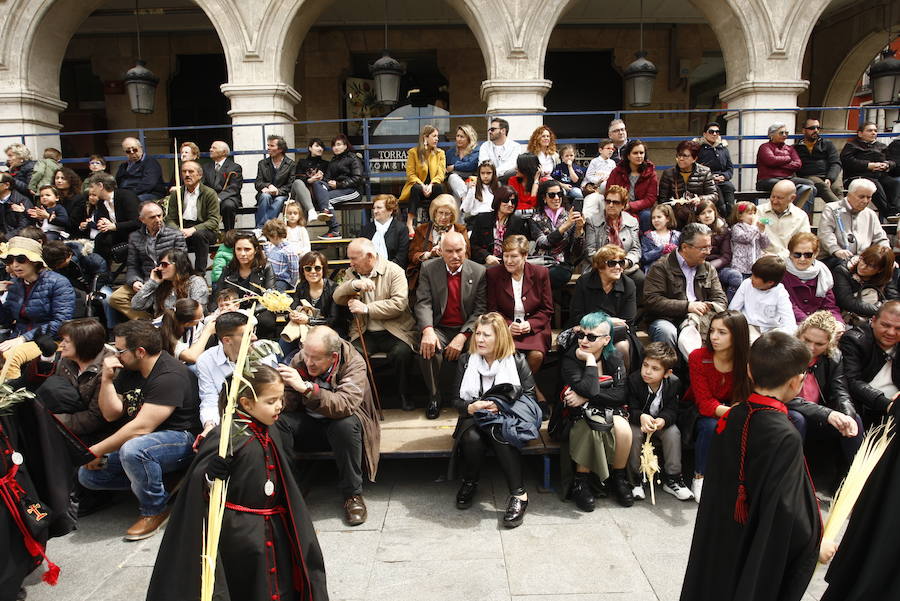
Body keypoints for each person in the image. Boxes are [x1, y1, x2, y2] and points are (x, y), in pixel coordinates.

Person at [146, 365, 328, 601]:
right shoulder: (226, 438)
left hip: (276, 525)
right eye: (271, 401)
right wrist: (210, 476)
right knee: (247, 586)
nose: (279, 406)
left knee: (280, 585)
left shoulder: (273, 430)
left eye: (281, 399)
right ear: (246, 403)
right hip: (238, 535)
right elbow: (197, 489)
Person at [680, 332, 822, 601]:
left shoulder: (732, 415)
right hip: (756, 540)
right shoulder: (784, 434)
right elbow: (788, 509)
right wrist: (814, 544)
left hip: (721, 534)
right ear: (796, 382)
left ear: (748, 370)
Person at [78, 320, 199, 541]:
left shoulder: (169, 375)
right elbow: (111, 414)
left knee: (134, 449)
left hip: (181, 440)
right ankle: (160, 482)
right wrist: (106, 380)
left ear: (140, 351)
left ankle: (155, 508)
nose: (116, 355)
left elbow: (142, 427)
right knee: (88, 475)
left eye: (120, 350)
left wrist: (95, 450)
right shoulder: (131, 370)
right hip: (148, 442)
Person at [279, 325, 381, 527]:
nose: (308, 362)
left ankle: (353, 495)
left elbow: (345, 405)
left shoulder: (353, 363)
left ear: (333, 357)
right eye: (305, 354)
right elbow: (290, 402)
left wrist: (307, 389)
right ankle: (290, 488)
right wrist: (277, 395)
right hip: (309, 423)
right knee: (279, 423)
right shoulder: (300, 358)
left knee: (344, 425)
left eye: (315, 358)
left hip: (344, 424)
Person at [449, 312, 538, 527]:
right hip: (473, 418)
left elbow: (530, 396)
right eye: (478, 334)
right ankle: (470, 482)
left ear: (500, 338)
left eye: (486, 335)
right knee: (472, 437)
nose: (479, 339)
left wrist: (501, 406)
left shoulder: (517, 361)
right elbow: (454, 400)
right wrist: (470, 406)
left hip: (507, 418)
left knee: (499, 432)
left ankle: (519, 495)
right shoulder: (465, 361)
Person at [556, 311, 632, 508]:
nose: (584, 341)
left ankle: (619, 477)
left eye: (591, 337)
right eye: (581, 334)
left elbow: (621, 394)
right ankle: (581, 482)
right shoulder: (571, 359)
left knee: (624, 429)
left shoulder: (614, 357)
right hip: (575, 414)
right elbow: (588, 388)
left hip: (607, 408)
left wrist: (585, 396)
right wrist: (590, 361)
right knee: (592, 426)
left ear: (606, 340)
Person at [334, 238, 418, 410]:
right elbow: (337, 296)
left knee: (401, 353)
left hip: (395, 330)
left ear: (370, 257)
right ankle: (363, 398)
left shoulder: (394, 271)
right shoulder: (352, 273)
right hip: (365, 331)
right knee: (354, 354)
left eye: (354, 258)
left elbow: (399, 304)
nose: (351, 263)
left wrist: (366, 308)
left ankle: (404, 395)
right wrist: (353, 284)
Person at [415, 231, 486, 418]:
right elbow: (423, 302)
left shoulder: (479, 271)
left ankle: (472, 398)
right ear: (440, 251)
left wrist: (463, 336)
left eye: (459, 250)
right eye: (449, 251)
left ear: (466, 249)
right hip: (439, 327)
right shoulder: (429, 269)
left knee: (481, 347)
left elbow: (480, 310)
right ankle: (434, 396)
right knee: (427, 347)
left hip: (467, 328)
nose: (455, 256)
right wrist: (428, 330)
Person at [684, 310, 752, 503]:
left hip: (734, 408)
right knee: (710, 426)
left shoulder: (747, 360)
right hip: (699, 412)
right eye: (712, 330)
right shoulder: (699, 356)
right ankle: (699, 477)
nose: (714, 336)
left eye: (722, 332)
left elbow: (748, 394)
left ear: (737, 335)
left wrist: (738, 410)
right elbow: (704, 403)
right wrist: (736, 413)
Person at [645, 222, 728, 360]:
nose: (708, 252)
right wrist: (687, 307)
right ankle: (673, 377)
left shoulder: (708, 268)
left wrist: (707, 308)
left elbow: (720, 299)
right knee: (666, 331)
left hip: (700, 318)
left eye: (709, 246)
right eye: (703, 248)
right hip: (667, 319)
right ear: (685, 247)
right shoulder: (660, 267)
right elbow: (652, 301)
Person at [486, 235, 553, 406]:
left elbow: (547, 309)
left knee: (536, 355)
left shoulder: (540, 273)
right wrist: (507, 326)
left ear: (524, 256)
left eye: (513, 256)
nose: (508, 260)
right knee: (507, 355)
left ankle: (519, 393)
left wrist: (529, 325)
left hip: (535, 327)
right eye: (505, 256)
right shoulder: (494, 274)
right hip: (505, 327)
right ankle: (534, 394)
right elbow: (492, 309)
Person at [793, 311, 863, 468]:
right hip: (790, 413)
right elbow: (784, 398)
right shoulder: (786, 353)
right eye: (807, 340)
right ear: (799, 335)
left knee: (854, 419)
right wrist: (828, 414)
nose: (811, 348)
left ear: (829, 343)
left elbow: (841, 391)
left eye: (819, 344)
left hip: (818, 416)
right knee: (798, 418)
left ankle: (860, 477)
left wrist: (847, 416)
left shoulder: (833, 357)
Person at [0, 236, 76, 380]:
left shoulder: (58, 283)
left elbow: (61, 322)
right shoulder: (16, 284)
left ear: (35, 261)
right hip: (17, 336)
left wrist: (23, 338)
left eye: (21, 259)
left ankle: (13, 399)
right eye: (10, 260)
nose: (15, 265)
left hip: (49, 340)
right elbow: (6, 319)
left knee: (12, 355)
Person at [626, 342, 693, 501]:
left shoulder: (674, 383)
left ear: (667, 373)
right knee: (634, 435)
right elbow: (629, 407)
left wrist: (663, 420)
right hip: (638, 421)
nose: (647, 371)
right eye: (645, 365)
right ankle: (635, 478)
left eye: (655, 369)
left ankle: (673, 478)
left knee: (673, 433)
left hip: (659, 422)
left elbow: (672, 409)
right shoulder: (634, 381)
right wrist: (641, 417)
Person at [196, 311, 279, 436]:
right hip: (227, 420)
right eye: (247, 334)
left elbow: (272, 395)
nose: (254, 338)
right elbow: (210, 400)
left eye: (253, 332)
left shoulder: (264, 353)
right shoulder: (206, 360)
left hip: (262, 416)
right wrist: (210, 425)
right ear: (227, 340)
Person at [107, 200, 186, 322]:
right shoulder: (135, 237)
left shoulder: (175, 234)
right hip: (146, 278)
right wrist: (134, 281)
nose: (158, 219)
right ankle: (147, 320)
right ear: (142, 220)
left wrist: (164, 276)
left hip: (168, 278)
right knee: (115, 298)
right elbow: (133, 264)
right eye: (152, 217)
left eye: (159, 215)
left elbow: (182, 262)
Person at [42, 318, 116, 439]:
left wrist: (51, 419)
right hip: (66, 421)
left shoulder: (108, 369)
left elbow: (95, 418)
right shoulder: (66, 360)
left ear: (83, 344)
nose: (61, 345)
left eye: (66, 341)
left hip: (95, 433)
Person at [567, 244, 637, 367]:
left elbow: (627, 320)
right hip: (587, 332)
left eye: (621, 263)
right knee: (588, 343)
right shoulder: (584, 282)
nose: (618, 267)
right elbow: (576, 316)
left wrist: (600, 323)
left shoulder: (628, 284)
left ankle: (621, 383)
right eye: (612, 263)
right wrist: (609, 320)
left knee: (622, 346)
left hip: (617, 333)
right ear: (600, 266)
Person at [839, 300, 900, 427]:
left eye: (898, 328)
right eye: (885, 325)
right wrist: (887, 404)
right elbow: (852, 381)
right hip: (864, 408)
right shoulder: (854, 340)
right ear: (873, 321)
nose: (891, 332)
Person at [214, 233, 277, 339]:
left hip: (258, 310)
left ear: (256, 250)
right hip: (233, 309)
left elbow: (270, 296)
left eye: (247, 249)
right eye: (238, 249)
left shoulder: (266, 267)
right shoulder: (228, 269)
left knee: (265, 321)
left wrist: (251, 312)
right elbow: (218, 293)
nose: (242, 253)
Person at [585, 184, 644, 297]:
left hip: (623, 266)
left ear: (623, 205)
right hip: (601, 267)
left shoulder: (632, 221)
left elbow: (636, 250)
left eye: (616, 202)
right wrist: (608, 265)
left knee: (640, 278)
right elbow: (589, 251)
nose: (611, 205)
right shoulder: (592, 220)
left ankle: (633, 313)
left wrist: (625, 263)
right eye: (608, 201)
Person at [817, 178, 888, 268]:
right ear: (849, 195)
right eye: (861, 197)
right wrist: (836, 250)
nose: (865, 201)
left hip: (862, 259)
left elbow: (881, 238)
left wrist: (886, 256)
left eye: (869, 197)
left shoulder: (870, 214)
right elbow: (825, 234)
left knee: (891, 267)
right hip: (834, 257)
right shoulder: (832, 208)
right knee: (844, 266)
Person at [165, 160, 221, 272]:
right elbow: (170, 219)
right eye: (184, 172)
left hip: (205, 230)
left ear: (199, 175)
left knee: (198, 235)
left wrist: (193, 229)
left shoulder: (209, 193)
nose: (186, 174)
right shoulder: (177, 193)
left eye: (191, 171)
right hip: (182, 228)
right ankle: (182, 273)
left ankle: (199, 274)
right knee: (170, 236)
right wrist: (178, 230)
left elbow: (214, 221)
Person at [531, 179, 585, 289]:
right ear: (544, 198)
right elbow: (543, 243)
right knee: (537, 275)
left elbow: (577, 252)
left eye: (559, 194)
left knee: (553, 275)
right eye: (552, 195)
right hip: (541, 262)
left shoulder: (569, 216)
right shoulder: (535, 217)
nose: (556, 198)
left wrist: (579, 230)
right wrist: (566, 225)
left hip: (562, 264)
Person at [407, 194, 469, 289]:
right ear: (434, 213)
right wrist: (429, 254)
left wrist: (448, 253)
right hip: (426, 276)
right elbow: (412, 255)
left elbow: (467, 256)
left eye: (447, 213)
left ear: (452, 215)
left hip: (452, 275)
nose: (443, 217)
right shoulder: (422, 229)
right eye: (440, 212)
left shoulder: (460, 230)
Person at [840, 120, 899, 219]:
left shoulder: (881, 146)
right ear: (860, 133)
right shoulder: (852, 145)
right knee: (873, 185)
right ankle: (888, 214)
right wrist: (868, 165)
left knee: (895, 183)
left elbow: (893, 161)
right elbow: (847, 161)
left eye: (875, 131)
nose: (873, 133)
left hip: (879, 175)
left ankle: (895, 211)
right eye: (870, 130)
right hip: (858, 177)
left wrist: (887, 165)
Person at [782, 232, 843, 325]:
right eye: (797, 254)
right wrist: (810, 324)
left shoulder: (823, 274)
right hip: (789, 324)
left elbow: (829, 307)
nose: (802, 259)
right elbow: (787, 306)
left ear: (816, 254)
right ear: (790, 254)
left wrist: (838, 324)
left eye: (808, 255)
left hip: (816, 325)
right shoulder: (781, 273)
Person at [729, 255, 796, 340]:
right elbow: (733, 310)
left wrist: (775, 335)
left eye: (756, 277)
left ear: (770, 282)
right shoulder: (747, 284)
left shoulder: (780, 293)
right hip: (748, 327)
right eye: (752, 274)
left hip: (770, 331)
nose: (752, 278)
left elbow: (790, 324)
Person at [755, 123, 815, 218]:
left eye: (786, 133)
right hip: (768, 179)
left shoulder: (789, 148)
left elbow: (798, 164)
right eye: (781, 133)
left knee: (809, 185)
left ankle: (799, 214)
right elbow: (771, 161)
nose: (784, 135)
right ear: (771, 134)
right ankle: (791, 212)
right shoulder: (765, 147)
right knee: (791, 186)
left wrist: (778, 164)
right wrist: (787, 159)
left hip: (788, 179)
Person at [288, 251, 348, 342]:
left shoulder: (333, 289)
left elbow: (333, 320)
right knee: (284, 345)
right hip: (305, 329)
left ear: (323, 270)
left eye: (317, 268)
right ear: (303, 271)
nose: (313, 272)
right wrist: (292, 315)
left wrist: (309, 320)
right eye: (308, 268)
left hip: (330, 332)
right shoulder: (301, 287)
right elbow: (294, 306)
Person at [311, 134, 363, 239]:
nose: (336, 147)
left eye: (339, 144)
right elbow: (327, 179)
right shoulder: (333, 161)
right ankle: (326, 211)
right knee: (317, 183)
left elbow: (357, 178)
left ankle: (334, 230)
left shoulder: (353, 158)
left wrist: (338, 184)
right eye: (334, 145)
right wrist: (322, 179)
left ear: (345, 146)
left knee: (326, 200)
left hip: (353, 191)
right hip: (338, 189)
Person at [657, 140, 718, 229]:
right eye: (679, 155)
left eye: (685, 156)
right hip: (676, 214)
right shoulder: (668, 173)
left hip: (698, 213)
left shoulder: (705, 172)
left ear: (694, 158)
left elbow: (714, 196)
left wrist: (700, 199)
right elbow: (663, 200)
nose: (681, 158)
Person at [130, 248, 208, 317]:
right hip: (162, 328)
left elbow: (197, 312)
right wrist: (152, 282)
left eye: (164, 264)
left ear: (178, 265)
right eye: (159, 264)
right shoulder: (160, 284)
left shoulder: (196, 282)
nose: (160, 268)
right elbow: (136, 305)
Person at [833, 244, 898, 326]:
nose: (863, 266)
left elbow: (893, 299)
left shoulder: (885, 277)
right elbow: (846, 301)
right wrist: (880, 310)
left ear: (880, 270)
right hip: (848, 316)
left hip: (876, 316)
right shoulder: (843, 270)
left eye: (870, 266)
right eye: (863, 260)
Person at [86, 172, 141, 263]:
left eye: (92, 186)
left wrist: (114, 226)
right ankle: (101, 270)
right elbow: (104, 220)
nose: (90, 190)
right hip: (118, 233)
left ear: (100, 185)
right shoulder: (101, 203)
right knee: (100, 238)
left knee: (105, 241)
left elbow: (137, 222)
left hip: (134, 233)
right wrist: (102, 223)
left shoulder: (126, 196)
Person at [400, 125, 446, 235]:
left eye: (437, 137)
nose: (437, 139)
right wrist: (422, 185)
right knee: (415, 188)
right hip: (418, 188)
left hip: (433, 187)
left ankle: (438, 222)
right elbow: (410, 174)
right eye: (434, 136)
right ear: (425, 137)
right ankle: (410, 223)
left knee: (439, 187)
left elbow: (441, 174)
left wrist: (431, 184)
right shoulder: (413, 152)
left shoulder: (440, 153)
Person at [468, 185, 531, 266]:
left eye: (513, 201)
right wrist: (486, 256)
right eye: (506, 200)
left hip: (508, 264)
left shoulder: (518, 222)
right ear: (498, 200)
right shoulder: (482, 219)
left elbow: (521, 247)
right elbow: (473, 245)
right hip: (484, 263)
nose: (510, 204)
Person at [605, 139, 658, 233]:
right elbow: (609, 191)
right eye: (635, 153)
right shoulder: (617, 171)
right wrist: (620, 205)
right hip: (619, 205)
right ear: (628, 155)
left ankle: (644, 244)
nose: (639, 156)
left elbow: (650, 198)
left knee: (646, 216)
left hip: (641, 209)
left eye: (641, 153)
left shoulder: (651, 173)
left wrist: (631, 206)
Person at [697, 199, 742, 301]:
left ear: (715, 213)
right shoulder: (692, 231)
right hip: (697, 267)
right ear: (698, 217)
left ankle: (728, 308)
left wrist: (710, 266)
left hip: (717, 267)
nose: (707, 215)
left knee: (735, 277)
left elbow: (726, 256)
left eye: (710, 212)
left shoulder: (723, 231)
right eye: (703, 213)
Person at [758, 179, 811, 260]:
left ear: (792, 198)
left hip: (790, 260)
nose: (775, 201)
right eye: (773, 196)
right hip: (763, 260)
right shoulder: (758, 212)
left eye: (780, 198)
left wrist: (780, 256)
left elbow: (803, 243)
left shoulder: (801, 216)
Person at [794, 117, 843, 205]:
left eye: (818, 128)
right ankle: (841, 210)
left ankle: (840, 212)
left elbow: (836, 163)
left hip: (828, 175)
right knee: (822, 186)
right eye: (812, 128)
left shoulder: (827, 144)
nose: (816, 130)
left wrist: (830, 178)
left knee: (837, 189)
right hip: (809, 176)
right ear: (804, 130)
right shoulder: (796, 148)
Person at [158, 298, 216, 365]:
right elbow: (193, 357)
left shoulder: (194, 326)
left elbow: (195, 349)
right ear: (188, 324)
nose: (202, 319)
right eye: (200, 317)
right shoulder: (162, 329)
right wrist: (207, 332)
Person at [254, 134, 295, 228]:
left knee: (279, 199)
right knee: (265, 196)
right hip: (265, 194)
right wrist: (268, 186)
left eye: (272, 146)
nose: (268, 148)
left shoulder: (290, 164)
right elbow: (258, 183)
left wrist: (277, 191)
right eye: (268, 145)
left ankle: (261, 228)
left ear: (280, 149)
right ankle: (265, 228)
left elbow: (290, 185)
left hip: (281, 195)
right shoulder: (262, 163)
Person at [202, 140, 244, 232]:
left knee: (228, 205)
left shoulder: (234, 167)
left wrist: (219, 198)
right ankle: (209, 233)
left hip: (228, 197)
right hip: (210, 197)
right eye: (211, 147)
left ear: (224, 152)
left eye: (214, 148)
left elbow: (234, 188)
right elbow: (202, 185)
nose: (210, 149)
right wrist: (211, 197)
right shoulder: (205, 167)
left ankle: (229, 233)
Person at [695, 122, 735, 215]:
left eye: (717, 132)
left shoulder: (723, 149)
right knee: (721, 205)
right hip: (707, 182)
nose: (714, 134)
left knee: (730, 199)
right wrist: (711, 177)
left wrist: (724, 176)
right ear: (705, 134)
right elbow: (696, 168)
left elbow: (730, 168)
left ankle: (731, 219)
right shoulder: (698, 149)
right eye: (711, 131)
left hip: (723, 181)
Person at [361, 194, 409, 268]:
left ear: (390, 210)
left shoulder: (401, 228)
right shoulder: (367, 228)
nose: (375, 211)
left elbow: (401, 257)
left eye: (379, 208)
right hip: (368, 271)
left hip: (393, 272)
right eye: (374, 208)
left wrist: (384, 270)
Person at [290, 138, 330, 224]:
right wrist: (309, 180)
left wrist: (322, 179)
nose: (320, 149)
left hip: (314, 194)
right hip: (300, 189)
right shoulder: (302, 162)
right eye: (317, 146)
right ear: (310, 148)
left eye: (322, 147)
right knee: (298, 183)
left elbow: (329, 180)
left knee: (299, 199)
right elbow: (297, 178)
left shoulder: (325, 164)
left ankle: (300, 229)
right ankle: (311, 210)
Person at [727, 201, 769, 278]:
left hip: (755, 266)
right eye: (750, 214)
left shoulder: (756, 229)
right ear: (740, 216)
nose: (753, 216)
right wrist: (754, 226)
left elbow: (765, 245)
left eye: (754, 213)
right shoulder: (737, 227)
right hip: (741, 266)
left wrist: (762, 232)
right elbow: (746, 238)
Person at [262, 219, 300, 292]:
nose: (269, 240)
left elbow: (294, 270)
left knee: (275, 292)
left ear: (274, 236)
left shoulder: (289, 251)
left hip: (282, 280)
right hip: (270, 277)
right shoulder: (272, 247)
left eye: (269, 237)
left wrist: (292, 284)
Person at [444, 124, 480, 201]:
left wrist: (454, 167)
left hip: (471, 182)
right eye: (458, 136)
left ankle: (464, 203)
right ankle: (466, 200)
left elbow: (471, 165)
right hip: (455, 184)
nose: (459, 139)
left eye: (462, 137)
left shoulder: (476, 150)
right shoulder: (450, 152)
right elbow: (446, 170)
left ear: (469, 138)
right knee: (453, 177)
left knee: (457, 194)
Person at [641, 203, 680, 272]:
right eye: (653, 218)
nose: (656, 220)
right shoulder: (647, 236)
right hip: (654, 270)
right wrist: (662, 248)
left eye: (659, 217)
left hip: (673, 269)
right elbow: (645, 257)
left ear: (667, 218)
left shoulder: (677, 235)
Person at [51, 167, 83, 237]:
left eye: (63, 178)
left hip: (72, 234)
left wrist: (49, 217)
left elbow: (72, 223)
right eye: (57, 178)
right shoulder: (52, 197)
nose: (59, 181)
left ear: (71, 180)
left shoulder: (78, 198)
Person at [583, 138, 616, 203]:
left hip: (606, 186)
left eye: (612, 149)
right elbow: (589, 175)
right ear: (600, 150)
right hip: (593, 186)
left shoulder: (612, 163)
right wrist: (598, 181)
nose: (611, 151)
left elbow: (614, 176)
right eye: (608, 148)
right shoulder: (595, 161)